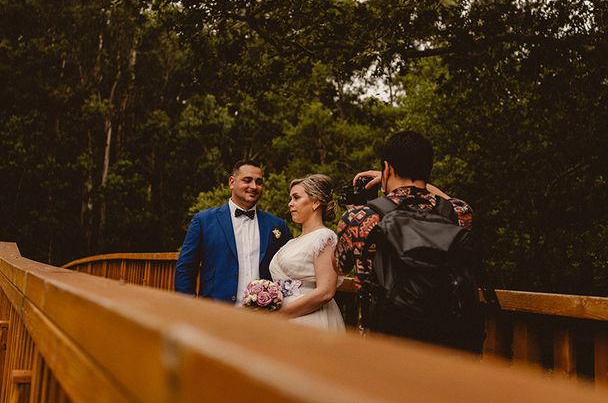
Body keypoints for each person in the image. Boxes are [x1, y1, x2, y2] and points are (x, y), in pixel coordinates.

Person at [333, 131, 474, 342]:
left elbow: (338, 266)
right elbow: (454, 201)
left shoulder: (359, 217)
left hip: (383, 340)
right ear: (428, 169)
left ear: (387, 168)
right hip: (445, 339)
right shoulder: (457, 213)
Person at [175, 160, 292, 304]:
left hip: (264, 318)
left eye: (259, 182)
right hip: (216, 313)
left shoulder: (277, 225)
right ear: (232, 182)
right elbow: (186, 268)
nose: (254, 187)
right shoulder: (203, 221)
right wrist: (190, 307)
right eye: (247, 180)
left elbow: (289, 271)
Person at [269, 174, 345, 331]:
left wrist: (280, 314)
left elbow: (326, 292)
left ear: (316, 202)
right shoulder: (292, 242)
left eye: (296, 198)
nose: (290, 204)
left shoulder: (324, 237)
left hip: (310, 319)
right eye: (290, 198)